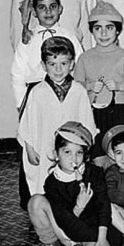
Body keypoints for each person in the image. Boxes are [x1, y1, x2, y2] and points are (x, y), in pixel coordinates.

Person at [17, 36, 95, 211]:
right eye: (52, 64)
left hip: (70, 149)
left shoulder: (79, 92)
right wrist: (29, 148)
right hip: (43, 147)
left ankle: (71, 215)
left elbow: (87, 123)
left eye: (63, 63)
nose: (58, 69)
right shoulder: (37, 92)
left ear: (72, 64)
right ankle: (46, 216)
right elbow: (27, 124)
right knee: (44, 182)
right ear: (44, 65)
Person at [27, 122, 118, 246]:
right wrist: (79, 206)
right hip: (64, 229)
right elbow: (61, 218)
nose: (73, 159)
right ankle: (51, 245)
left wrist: (102, 239)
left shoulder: (94, 173)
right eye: (67, 152)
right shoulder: (52, 182)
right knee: (35, 201)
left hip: (91, 229)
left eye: (79, 152)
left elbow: (103, 205)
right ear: (56, 154)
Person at [73, 1, 124, 166]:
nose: (104, 33)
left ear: (117, 30)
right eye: (98, 28)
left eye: (109, 28)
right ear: (92, 31)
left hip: (119, 112)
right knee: (98, 156)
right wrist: (90, 87)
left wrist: (120, 86)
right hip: (94, 113)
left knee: (122, 153)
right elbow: (75, 88)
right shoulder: (85, 57)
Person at [11, 0, 84, 111]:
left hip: (66, 92)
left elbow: (80, 66)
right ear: (34, 12)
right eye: (42, 7)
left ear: (60, 9)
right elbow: (18, 72)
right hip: (36, 95)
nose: (48, 12)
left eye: (52, 7)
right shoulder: (28, 39)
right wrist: (21, 103)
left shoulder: (69, 36)